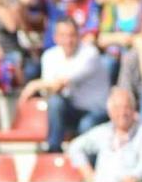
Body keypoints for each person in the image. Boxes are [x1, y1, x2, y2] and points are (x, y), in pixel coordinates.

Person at [20, 17, 109, 152]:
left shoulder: (90, 53)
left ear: (78, 36)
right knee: (55, 102)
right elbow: (51, 90)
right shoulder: (50, 56)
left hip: (95, 111)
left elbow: (62, 81)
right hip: (71, 110)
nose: (68, 40)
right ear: (55, 37)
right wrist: (46, 86)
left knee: (86, 125)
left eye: (72, 35)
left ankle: (82, 162)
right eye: (63, 35)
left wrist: (34, 85)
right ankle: (53, 151)